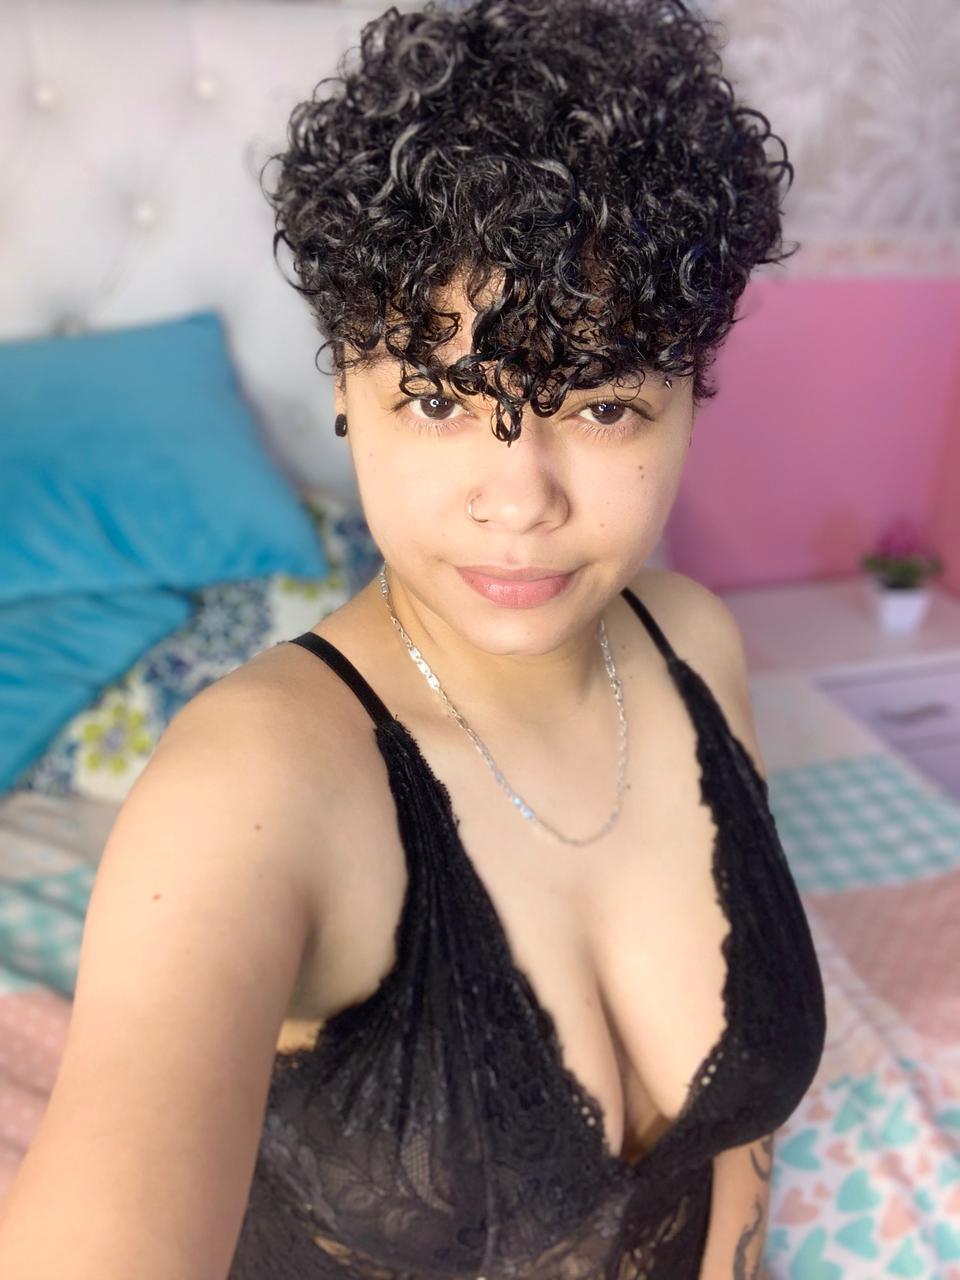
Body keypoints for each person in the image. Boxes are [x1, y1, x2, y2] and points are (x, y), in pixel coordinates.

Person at [0, 1, 824, 1277]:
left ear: (689, 396)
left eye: (604, 405)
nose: (521, 500)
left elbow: (738, 1159)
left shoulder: (696, 646)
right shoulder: (250, 786)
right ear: (345, 384)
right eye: (441, 399)